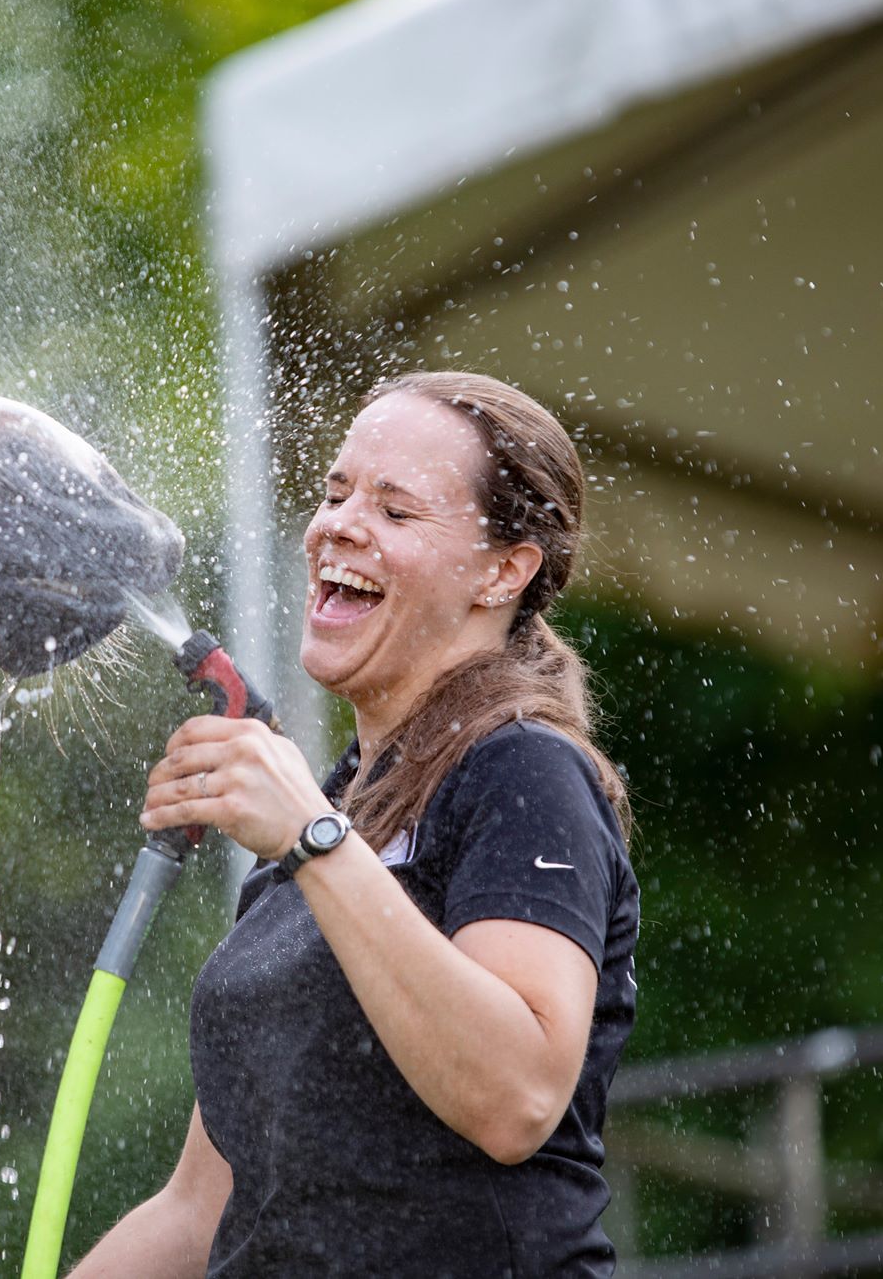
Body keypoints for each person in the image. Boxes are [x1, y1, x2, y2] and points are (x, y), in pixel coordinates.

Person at [72, 372, 640, 1277]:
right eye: (336, 491)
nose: (337, 523)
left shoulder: (524, 770)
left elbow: (517, 1095)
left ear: (504, 571)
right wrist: (313, 836)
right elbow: (198, 1211)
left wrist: (311, 838)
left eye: (397, 510)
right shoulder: (318, 829)